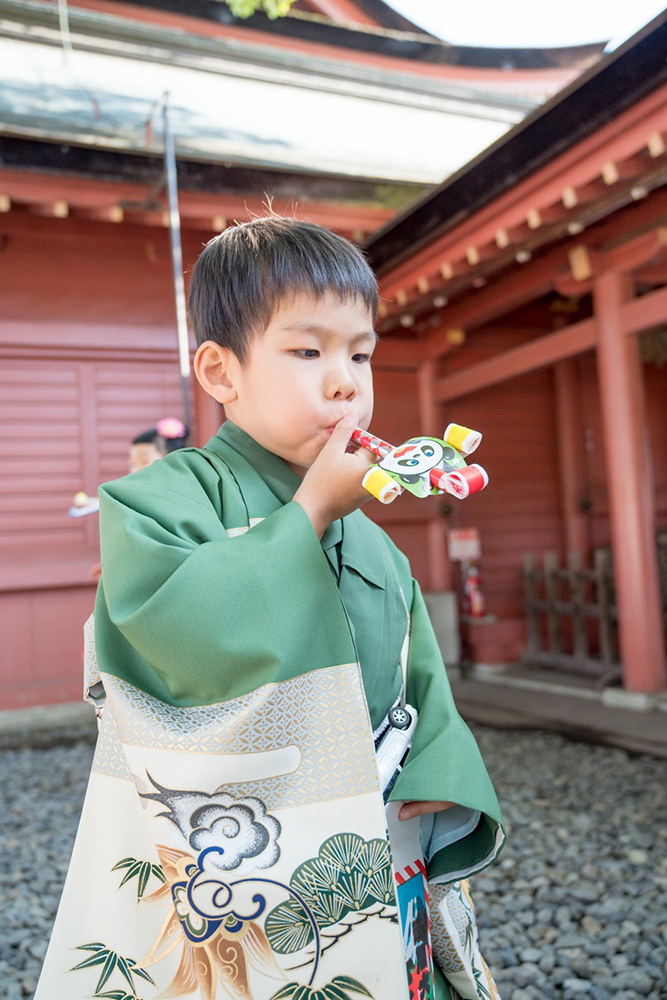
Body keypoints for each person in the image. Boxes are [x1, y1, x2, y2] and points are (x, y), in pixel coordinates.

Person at [36, 218, 505, 1000]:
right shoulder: (157, 501)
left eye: (360, 354)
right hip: (236, 859)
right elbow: (174, 636)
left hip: (377, 837)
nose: (345, 381)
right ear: (221, 372)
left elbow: (416, 674)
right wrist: (308, 516)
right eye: (307, 350)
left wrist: (438, 770)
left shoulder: (376, 544)